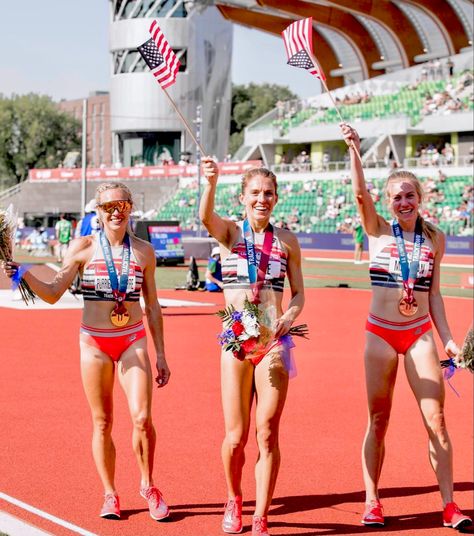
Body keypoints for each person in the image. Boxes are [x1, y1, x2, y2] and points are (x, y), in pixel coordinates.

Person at [2, 182, 171, 522]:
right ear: (97, 211)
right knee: (103, 421)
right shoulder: (82, 248)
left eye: (121, 204)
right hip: (94, 342)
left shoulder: (143, 252)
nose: (115, 211)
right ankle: (110, 493)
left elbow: (152, 306)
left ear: (130, 207)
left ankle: (148, 484)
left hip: (132, 340)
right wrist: (21, 271)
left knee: (141, 418)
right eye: (107, 206)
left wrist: (162, 354)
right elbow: (52, 292)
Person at [340, 123, 472, 531]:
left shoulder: (435, 238)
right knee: (378, 419)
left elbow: (433, 294)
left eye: (410, 195)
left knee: (437, 419)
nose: (403, 202)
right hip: (379, 332)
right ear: (387, 202)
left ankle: (449, 506)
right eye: (396, 197)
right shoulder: (377, 229)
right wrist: (355, 151)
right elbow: (360, 194)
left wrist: (448, 339)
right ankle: (372, 500)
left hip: (418, 335)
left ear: (421, 198)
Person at [199, 158, 305, 536]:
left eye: (269, 193)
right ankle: (233, 497)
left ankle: (260, 514)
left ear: (276, 197)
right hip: (236, 343)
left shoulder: (287, 240)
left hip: (274, 343)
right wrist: (210, 181)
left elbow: (299, 294)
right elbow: (204, 215)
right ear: (243, 197)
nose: (263, 199)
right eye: (256, 193)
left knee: (267, 432)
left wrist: (289, 316)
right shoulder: (230, 233)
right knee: (235, 436)